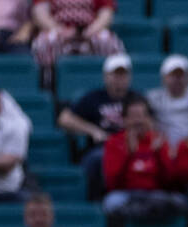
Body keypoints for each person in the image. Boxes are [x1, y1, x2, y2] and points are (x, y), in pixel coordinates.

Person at [56, 52, 143, 199]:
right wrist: (93, 130)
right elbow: (64, 119)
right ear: (105, 76)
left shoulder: (137, 98)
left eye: (123, 75)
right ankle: (96, 203)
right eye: (115, 74)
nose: (119, 79)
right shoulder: (94, 98)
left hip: (133, 146)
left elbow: (150, 123)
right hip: (103, 147)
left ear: (129, 77)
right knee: (97, 159)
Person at [100, 97, 186, 223]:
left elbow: (170, 182)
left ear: (149, 119)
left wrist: (158, 155)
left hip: (155, 195)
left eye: (142, 115)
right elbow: (112, 183)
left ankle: (142, 213)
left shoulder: (159, 141)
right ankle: (148, 214)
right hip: (127, 195)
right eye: (134, 116)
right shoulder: (114, 142)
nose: (138, 120)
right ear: (124, 120)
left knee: (180, 201)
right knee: (111, 203)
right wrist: (128, 154)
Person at [29, 0, 121, 70]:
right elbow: (40, 13)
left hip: (90, 30)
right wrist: (60, 30)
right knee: (45, 41)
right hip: (58, 30)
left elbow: (106, 14)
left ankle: (103, 83)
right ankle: (49, 84)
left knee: (107, 40)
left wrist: (90, 31)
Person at [146, 54, 188, 147]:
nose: (177, 79)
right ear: (164, 78)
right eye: (173, 75)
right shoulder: (153, 98)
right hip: (163, 149)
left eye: (181, 75)